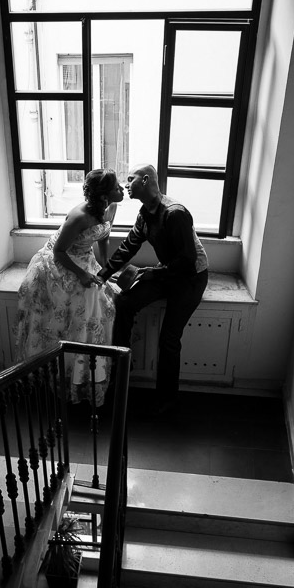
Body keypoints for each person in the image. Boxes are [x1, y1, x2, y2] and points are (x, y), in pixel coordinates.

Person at [98, 164, 208, 416]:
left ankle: (167, 399)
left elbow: (187, 261)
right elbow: (128, 246)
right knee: (124, 302)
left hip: (190, 277)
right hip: (167, 271)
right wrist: (102, 275)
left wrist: (149, 273)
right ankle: (124, 366)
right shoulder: (144, 213)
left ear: (145, 180)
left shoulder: (175, 213)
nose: (126, 184)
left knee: (169, 339)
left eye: (130, 179)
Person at [16, 168, 125, 406]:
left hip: (86, 258)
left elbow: (104, 236)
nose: (122, 189)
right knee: (84, 306)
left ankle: (92, 372)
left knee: (104, 303)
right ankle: (71, 375)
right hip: (63, 262)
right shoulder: (79, 216)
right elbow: (58, 252)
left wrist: (105, 268)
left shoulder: (111, 207)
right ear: (104, 194)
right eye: (117, 187)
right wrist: (82, 274)